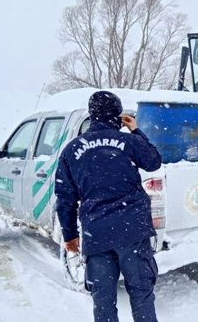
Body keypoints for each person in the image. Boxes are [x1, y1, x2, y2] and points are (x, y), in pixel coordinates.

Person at [55, 91, 162, 322]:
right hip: (133, 230)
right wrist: (135, 129)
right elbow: (153, 161)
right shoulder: (128, 141)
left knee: (103, 302)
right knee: (142, 294)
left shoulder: (72, 150)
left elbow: (64, 198)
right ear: (117, 114)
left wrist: (70, 235)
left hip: (97, 235)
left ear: (92, 115)